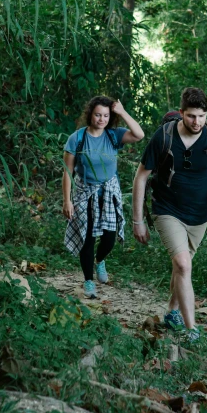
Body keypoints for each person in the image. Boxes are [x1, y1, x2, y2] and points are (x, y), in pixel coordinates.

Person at [132, 87, 207, 343]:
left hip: (200, 215)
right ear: (181, 113)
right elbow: (141, 177)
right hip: (167, 209)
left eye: (201, 116)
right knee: (183, 264)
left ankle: (171, 311)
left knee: (182, 269)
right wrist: (138, 220)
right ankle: (193, 332)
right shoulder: (164, 136)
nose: (197, 122)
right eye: (191, 116)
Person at [63, 96, 144, 298]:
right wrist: (67, 200)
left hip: (109, 192)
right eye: (98, 114)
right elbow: (67, 171)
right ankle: (88, 281)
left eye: (106, 115)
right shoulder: (77, 138)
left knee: (109, 237)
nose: (101, 119)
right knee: (87, 236)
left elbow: (139, 135)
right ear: (90, 114)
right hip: (84, 192)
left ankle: (100, 260)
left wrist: (122, 112)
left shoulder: (113, 136)